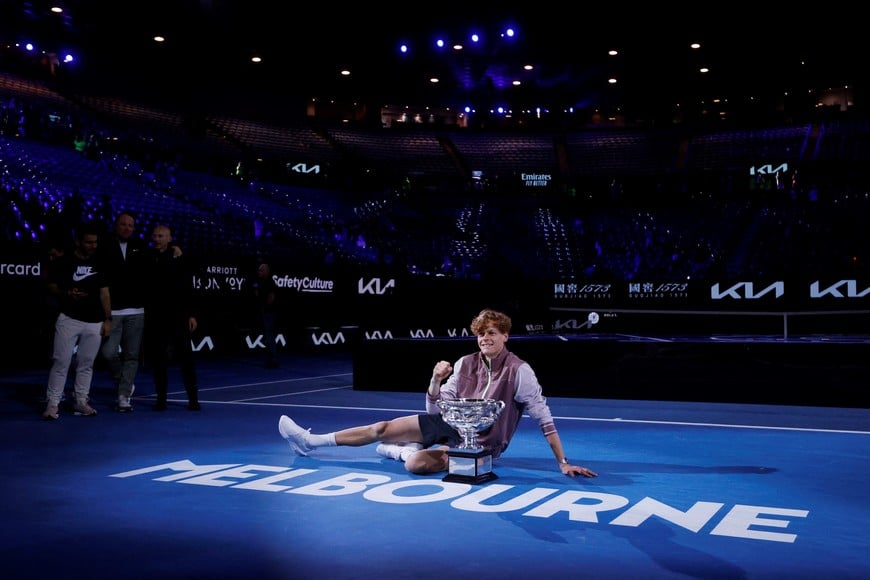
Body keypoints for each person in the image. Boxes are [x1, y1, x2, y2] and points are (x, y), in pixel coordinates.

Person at [278, 308, 597, 478]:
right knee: (381, 428)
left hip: (481, 444)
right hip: (447, 426)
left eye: (492, 333)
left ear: (505, 336)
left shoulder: (519, 371)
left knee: (415, 464)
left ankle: (399, 450)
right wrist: (433, 382)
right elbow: (436, 410)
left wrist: (563, 463)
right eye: (481, 334)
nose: (485, 339)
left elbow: (545, 419)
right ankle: (310, 441)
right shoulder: (464, 363)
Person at [42, 223, 113, 420]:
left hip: (95, 321)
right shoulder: (64, 261)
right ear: (78, 242)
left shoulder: (100, 262)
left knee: (86, 363)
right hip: (69, 318)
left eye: (95, 242)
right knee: (61, 361)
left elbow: (104, 293)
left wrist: (108, 319)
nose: (93, 246)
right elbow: (52, 286)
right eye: (89, 242)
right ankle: (53, 403)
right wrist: (67, 293)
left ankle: (81, 401)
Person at [143, 224, 200, 411]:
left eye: (161, 236)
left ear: (169, 238)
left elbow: (187, 286)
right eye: (155, 236)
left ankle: (193, 398)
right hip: (156, 317)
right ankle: (161, 399)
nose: (157, 239)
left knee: (186, 359)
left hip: (178, 316)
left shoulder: (179, 258)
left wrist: (191, 313)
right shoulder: (148, 257)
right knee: (158, 361)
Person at [97, 211, 148, 412]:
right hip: (113, 311)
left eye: (130, 225)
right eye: (123, 224)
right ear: (116, 225)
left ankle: (123, 395)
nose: (127, 228)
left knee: (132, 356)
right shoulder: (105, 246)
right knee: (108, 353)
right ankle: (123, 383)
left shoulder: (141, 248)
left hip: (136, 310)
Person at [252, 261, 279, 368]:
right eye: (259, 270)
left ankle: (273, 359)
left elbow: (271, 297)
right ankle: (269, 358)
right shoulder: (259, 281)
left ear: (266, 271)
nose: (259, 272)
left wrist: (266, 307)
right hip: (264, 312)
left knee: (269, 335)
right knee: (267, 336)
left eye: (261, 270)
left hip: (269, 312)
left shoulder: (270, 282)